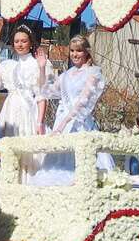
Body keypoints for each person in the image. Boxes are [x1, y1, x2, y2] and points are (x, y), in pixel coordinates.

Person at [24, 36, 114, 186]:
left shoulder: (93, 73)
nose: (74, 54)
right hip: (62, 123)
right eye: (72, 51)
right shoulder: (66, 74)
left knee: (83, 167)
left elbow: (83, 101)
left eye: (78, 51)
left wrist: (63, 124)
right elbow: (45, 91)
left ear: (86, 52)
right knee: (55, 171)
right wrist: (41, 67)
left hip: (79, 123)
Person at [0, 25, 53, 144]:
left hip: (28, 112)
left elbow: (42, 93)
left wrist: (40, 122)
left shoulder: (37, 64)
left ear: (30, 43)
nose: (20, 44)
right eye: (16, 41)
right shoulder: (9, 65)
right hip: (10, 112)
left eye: (24, 41)